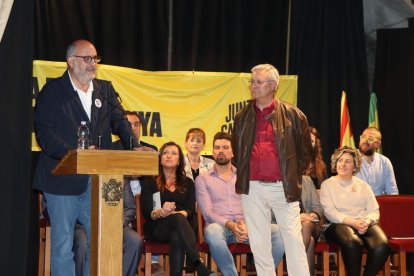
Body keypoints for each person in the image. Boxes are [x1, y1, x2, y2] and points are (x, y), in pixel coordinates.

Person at [33, 39, 140, 276]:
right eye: (87, 58)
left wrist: (134, 145)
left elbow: (120, 121)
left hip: (96, 180)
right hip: (61, 180)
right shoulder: (53, 91)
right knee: (63, 247)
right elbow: (44, 133)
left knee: (103, 241)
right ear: (71, 61)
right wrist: (72, 153)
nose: (93, 64)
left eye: (95, 59)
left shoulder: (105, 90)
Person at [232, 63, 313, 275]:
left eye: (259, 82)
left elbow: (306, 153)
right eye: (252, 81)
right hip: (252, 188)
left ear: (273, 85)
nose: (253, 86)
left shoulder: (294, 115)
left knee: (294, 240)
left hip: (283, 188)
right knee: (259, 243)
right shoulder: (241, 116)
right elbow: (237, 152)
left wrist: (290, 175)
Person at [196, 132, 285, 276]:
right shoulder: (203, 179)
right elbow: (207, 212)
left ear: (233, 152)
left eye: (225, 147)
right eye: (217, 147)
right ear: (212, 152)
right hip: (220, 227)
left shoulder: (245, 177)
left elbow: (257, 204)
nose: (221, 151)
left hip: (246, 227)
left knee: (279, 232)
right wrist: (230, 225)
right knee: (212, 231)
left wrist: (248, 224)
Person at [140, 141, 215, 276]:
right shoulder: (150, 181)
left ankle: (193, 266)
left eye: (173, 153)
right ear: (160, 158)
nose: (169, 156)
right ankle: (198, 263)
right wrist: (162, 212)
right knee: (177, 221)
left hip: (183, 225)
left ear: (179, 160)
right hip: (158, 227)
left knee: (177, 234)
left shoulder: (188, 183)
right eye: (165, 153)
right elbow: (147, 212)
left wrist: (178, 214)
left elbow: (190, 210)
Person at [320, 146, 389, 276]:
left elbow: (374, 210)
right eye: (340, 160)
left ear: (355, 165)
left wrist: (367, 221)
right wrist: (353, 222)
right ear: (335, 163)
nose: (343, 164)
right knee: (353, 242)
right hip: (337, 224)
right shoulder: (327, 185)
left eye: (348, 161)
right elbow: (330, 212)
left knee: (382, 246)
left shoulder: (363, 185)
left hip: (363, 223)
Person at [72, 181, 142, 276]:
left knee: (135, 241)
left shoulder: (119, 177)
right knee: (83, 243)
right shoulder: (81, 175)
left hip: (114, 224)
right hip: (83, 225)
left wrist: (120, 222)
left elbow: (130, 207)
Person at [355, 127, 398, 195]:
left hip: (379, 204)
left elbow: (392, 191)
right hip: (355, 204)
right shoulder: (351, 159)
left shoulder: (385, 162)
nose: (365, 141)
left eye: (370, 139)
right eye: (363, 137)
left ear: (377, 144)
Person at [300, 175, 323, 274]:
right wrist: (296, 217)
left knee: (306, 225)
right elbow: (271, 212)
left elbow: (318, 207)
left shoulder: (306, 180)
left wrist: (310, 216)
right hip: (289, 226)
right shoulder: (277, 181)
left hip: (311, 225)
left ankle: (296, 267)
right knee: (311, 241)